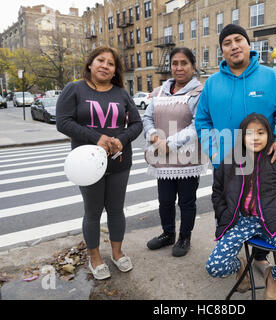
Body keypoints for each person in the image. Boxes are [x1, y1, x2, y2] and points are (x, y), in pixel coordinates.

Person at [195, 24, 276, 274]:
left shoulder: (271, 78)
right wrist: (213, 150)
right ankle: (235, 261)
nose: (234, 45)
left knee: (265, 210)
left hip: (265, 164)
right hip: (228, 165)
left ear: (248, 44)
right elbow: (202, 121)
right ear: (222, 50)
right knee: (226, 213)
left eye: (238, 39)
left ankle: (260, 258)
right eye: (227, 42)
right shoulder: (212, 84)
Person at [56, 46, 143, 280]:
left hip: (118, 161)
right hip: (86, 163)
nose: (105, 66)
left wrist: (121, 139)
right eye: (100, 60)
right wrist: (98, 138)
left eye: (111, 63)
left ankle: (117, 252)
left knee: (116, 210)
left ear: (116, 71)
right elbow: (63, 122)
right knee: (93, 211)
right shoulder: (74, 89)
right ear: (90, 64)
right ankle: (95, 257)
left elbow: (136, 124)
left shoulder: (122, 94)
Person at [206, 113, 276, 300]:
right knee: (215, 267)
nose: (255, 138)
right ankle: (240, 266)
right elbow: (217, 192)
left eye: (261, 133)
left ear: (268, 135)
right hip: (240, 222)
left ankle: (273, 276)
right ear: (241, 136)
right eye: (249, 133)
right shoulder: (231, 161)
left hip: (273, 221)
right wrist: (224, 213)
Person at [143, 47, 207, 257]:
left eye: (184, 63)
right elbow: (147, 118)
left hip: (187, 158)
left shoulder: (199, 92)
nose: (179, 68)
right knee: (165, 200)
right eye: (175, 63)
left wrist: (169, 143)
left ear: (193, 66)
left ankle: (184, 237)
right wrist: (154, 137)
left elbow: (198, 124)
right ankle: (168, 233)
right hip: (162, 157)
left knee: (187, 201)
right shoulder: (159, 92)